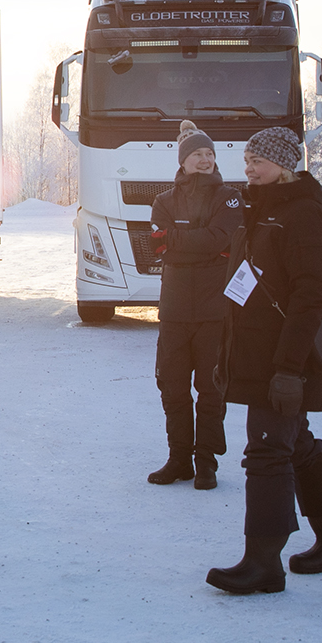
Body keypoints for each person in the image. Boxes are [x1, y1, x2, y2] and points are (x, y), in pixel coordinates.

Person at [206, 126, 322, 594]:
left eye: (260, 160)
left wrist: (290, 369)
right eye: (247, 159)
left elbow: (309, 297)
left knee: (268, 450)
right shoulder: (260, 209)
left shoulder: (304, 215)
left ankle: (262, 563)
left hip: (284, 357)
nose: (249, 168)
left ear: (286, 164)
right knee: (294, 444)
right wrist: (226, 356)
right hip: (256, 352)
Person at [145, 120, 241, 489]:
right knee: (172, 385)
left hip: (214, 309)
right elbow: (157, 246)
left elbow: (225, 238)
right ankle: (179, 459)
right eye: (197, 154)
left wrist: (178, 240)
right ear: (183, 161)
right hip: (174, 309)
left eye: (209, 154)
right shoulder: (163, 201)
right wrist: (204, 246)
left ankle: (206, 463)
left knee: (211, 387)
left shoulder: (229, 197)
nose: (204, 159)